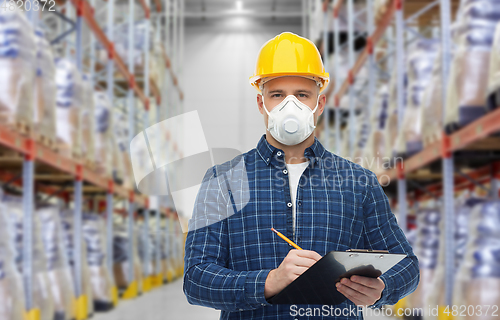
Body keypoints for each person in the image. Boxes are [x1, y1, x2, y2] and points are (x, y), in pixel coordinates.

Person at [183, 32, 419, 319]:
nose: (289, 105)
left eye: (302, 94)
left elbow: (407, 266)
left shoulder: (358, 182)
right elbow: (196, 279)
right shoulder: (223, 180)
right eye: (277, 95)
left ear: (319, 104)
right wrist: (268, 282)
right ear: (261, 104)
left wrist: (382, 288)